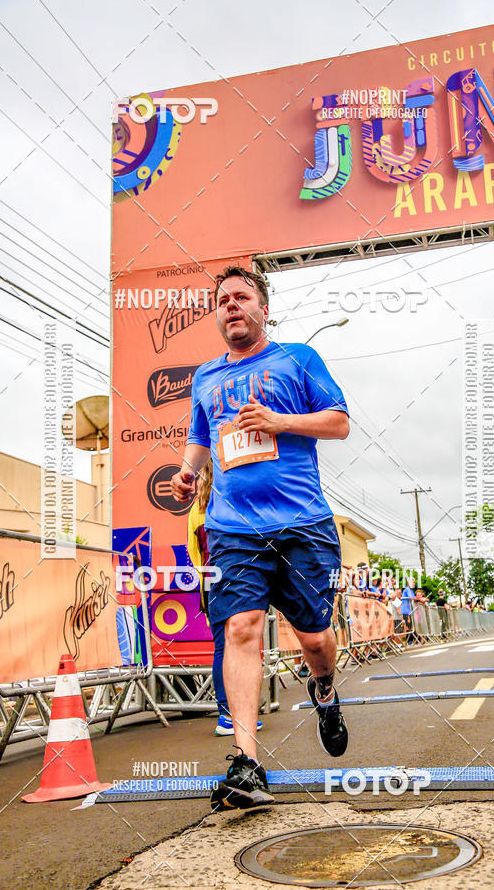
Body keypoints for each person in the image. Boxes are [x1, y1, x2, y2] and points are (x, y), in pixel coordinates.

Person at [170, 265, 350, 811]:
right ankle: (247, 761)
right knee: (242, 627)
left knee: (314, 639)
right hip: (233, 529)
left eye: (241, 297)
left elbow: (339, 423)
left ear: (262, 308)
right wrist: (186, 474)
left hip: (302, 523)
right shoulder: (205, 378)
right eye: (222, 300)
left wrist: (279, 421)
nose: (230, 306)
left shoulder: (298, 359)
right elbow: (200, 443)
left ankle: (324, 690)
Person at [187, 462, 263, 737]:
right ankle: (233, 715)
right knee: (240, 645)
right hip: (241, 577)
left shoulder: (196, 511)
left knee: (224, 646)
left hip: (211, 581)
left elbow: (193, 552)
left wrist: (206, 577)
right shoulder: (233, 502)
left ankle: (231, 714)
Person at [401, 578, 417, 645]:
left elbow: (414, 598)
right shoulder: (407, 589)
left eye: (414, 582)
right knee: (408, 627)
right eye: (412, 582)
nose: (413, 584)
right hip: (406, 610)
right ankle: (409, 641)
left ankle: (412, 640)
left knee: (411, 626)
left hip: (410, 610)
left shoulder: (411, 590)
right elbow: (411, 598)